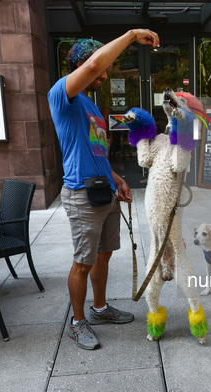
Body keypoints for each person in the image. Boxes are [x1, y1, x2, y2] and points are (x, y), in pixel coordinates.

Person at [48, 30, 160, 350]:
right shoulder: (62, 94)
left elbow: (97, 152)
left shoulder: (93, 108)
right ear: (82, 65)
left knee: (103, 255)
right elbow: (97, 65)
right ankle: (77, 322)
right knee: (83, 262)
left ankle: (99, 310)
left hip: (105, 191)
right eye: (101, 69)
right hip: (82, 194)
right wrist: (132, 35)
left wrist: (117, 179)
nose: (105, 74)